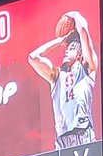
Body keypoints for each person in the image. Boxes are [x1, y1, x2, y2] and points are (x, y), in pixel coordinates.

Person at [28, 10, 98, 148]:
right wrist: (59, 41)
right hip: (62, 139)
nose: (66, 51)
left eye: (71, 48)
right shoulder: (56, 75)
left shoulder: (87, 70)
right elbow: (33, 57)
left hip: (83, 132)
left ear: (79, 54)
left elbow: (83, 30)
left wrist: (75, 14)